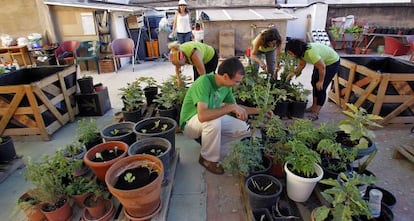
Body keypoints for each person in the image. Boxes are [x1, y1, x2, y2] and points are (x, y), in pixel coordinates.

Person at [179, 57, 262, 175]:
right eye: (236, 81)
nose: (237, 85)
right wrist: (230, 108)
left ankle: (208, 143)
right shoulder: (204, 82)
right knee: (213, 122)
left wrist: (260, 110)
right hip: (190, 124)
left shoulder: (226, 87)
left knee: (243, 128)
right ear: (226, 77)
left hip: (210, 119)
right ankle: (207, 160)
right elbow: (202, 116)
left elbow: (236, 107)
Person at [285, 38, 340, 121]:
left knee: (321, 87)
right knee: (314, 82)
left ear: (296, 50)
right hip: (321, 63)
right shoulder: (301, 53)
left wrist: (321, 81)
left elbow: (322, 67)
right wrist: (293, 73)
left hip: (331, 63)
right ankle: (313, 107)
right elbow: (301, 64)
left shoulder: (311, 53)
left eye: (291, 53)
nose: (291, 55)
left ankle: (316, 112)